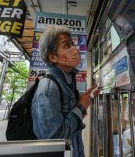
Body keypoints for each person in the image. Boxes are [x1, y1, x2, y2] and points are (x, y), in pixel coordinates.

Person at [31, 26, 100, 157]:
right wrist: (80, 107)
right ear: (53, 57)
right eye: (67, 46)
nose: (75, 49)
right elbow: (53, 139)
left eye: (72, 44)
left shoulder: (67, 81)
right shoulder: (48, 89)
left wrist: (85, 100)